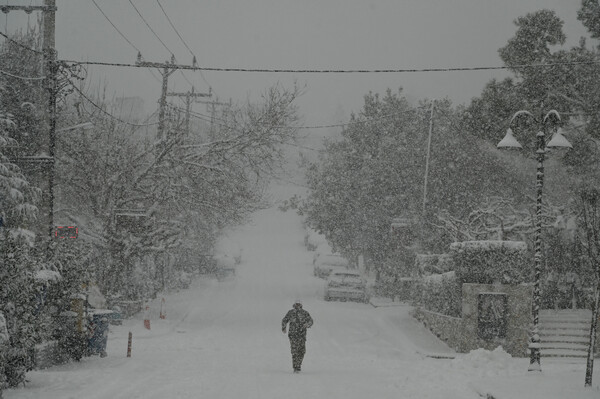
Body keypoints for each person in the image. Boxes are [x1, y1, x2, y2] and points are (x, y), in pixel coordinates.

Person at [281, 300, 313, 373]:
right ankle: (296, 367)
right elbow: (284, 320)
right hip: (293, 335)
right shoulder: (291, 312)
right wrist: (284, 327)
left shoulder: (305, 313)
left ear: (301, 305)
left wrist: (307, 324)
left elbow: (311, 321)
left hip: (302, 335)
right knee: (294, 351)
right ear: (294, 305)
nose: (297, 306)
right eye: (296, 304)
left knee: (302, 351)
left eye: (299, 304)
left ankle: (299, 364)